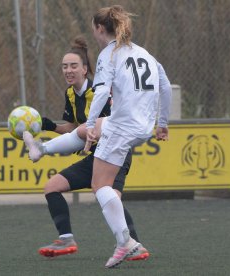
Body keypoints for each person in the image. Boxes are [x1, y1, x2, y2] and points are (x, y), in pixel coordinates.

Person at [24, 5, 171, 268]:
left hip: (122, 126)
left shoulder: (108, 55)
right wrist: (162, 124)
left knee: (100, 186)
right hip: (140, 126)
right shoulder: (144, 53)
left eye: (94, 29)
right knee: (85, 132)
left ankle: (126, 243)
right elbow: (166, 86)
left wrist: (91, 123)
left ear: (100, 29)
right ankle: (41, 150)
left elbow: (101, 92)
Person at [30, 36, 149, 261]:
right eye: (64, 66)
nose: (68, 70)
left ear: (85, 69)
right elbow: (76, 128)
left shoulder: (100, 91)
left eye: (74, 66)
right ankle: (66, 238)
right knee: (52, 187)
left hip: (115, 153)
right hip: (94, 156)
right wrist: (51, 126)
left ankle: (134, 245)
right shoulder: (70, 94)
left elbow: (107, 126)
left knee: (109, 195)